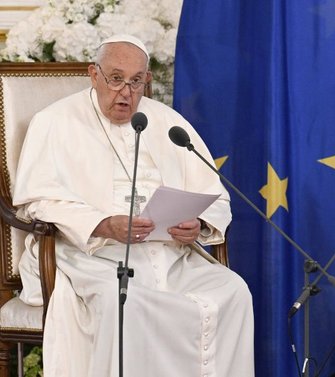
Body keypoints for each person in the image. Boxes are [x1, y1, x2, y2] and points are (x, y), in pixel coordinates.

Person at [13, 35, 254, 376]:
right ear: (93, 75)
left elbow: (215, 195)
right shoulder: (54, 121)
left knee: (233, 291)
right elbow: (37, 202)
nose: (125, 92)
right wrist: (102, 224)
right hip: (91, 256)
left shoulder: (169, 123)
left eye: (136, 81)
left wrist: (198, 224)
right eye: (115, 79)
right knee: (122, 302)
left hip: (170, 256)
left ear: (147, 81)